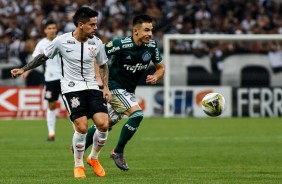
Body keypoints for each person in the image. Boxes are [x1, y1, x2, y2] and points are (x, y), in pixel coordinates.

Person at [11, 7, 111, 179]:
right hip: (71, 88)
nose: (96, 28)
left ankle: (93, 158)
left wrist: (106, 87)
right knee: (82, 127)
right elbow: (42, 57)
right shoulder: (61, 41)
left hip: (93, 87)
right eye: (92, 24)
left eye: (96, 24)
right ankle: (78, 164)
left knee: (103, 124)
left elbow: (103, 65)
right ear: (81, 25)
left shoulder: (97, 42)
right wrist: (23, 69)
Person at [84, 14, 165, 171]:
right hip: (114, 87)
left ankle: (80, 145)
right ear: (136, 31)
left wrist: (156, 75)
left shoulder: (152, 46)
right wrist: (100, 81)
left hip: (128, 91)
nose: (150, 34)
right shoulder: (120, 44)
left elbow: (161, 67)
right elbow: (97, 56)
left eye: (151, 30)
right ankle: (117, 151)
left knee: (105, 123)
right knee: (137, 114)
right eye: (146, 30)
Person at [22, 20, 61, 141]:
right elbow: (35, 59)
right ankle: (51, 133)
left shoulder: (62, 41)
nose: (52, 30)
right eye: (49, 28)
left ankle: (78, 132)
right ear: (45, 30)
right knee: (52, 105)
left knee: (73, 105)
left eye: (54, 27)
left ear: (56, 29)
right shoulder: (42, 44)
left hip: (66, 78)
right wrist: (26, 71)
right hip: (50, 78)